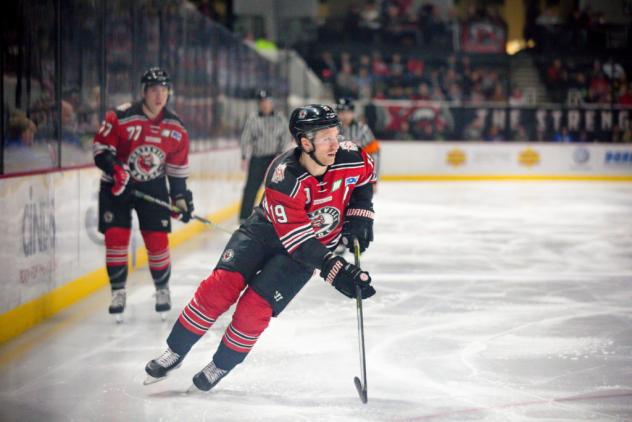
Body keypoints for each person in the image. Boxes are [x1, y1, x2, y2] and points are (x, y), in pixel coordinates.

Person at [144, 104, 377, 392]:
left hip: (308, 248)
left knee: (254, 310)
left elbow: (365, 179)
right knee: (218, 289)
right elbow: (298, 240)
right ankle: (176, 351)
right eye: (326, 137)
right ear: (305, 142)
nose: (335, 143)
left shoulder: (351, 157)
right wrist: (336, 270)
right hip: (266, 232)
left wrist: (360, 214)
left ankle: (221, 364)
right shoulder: (284, 177)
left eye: (336, 134)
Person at [92, 67, 194, 319]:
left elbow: (177, 169)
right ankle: (118, 291)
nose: (159, 96)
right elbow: (100, 149)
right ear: (143, 92)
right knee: (115, 237)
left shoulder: (176, 127)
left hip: (153, 186)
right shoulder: (121, 116)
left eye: (164, 90)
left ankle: (162, 289)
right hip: (117, 187)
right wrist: (116, 170)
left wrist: (180, 199)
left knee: (158, 241)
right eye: (153, 90)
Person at [238, 90, 291, 224]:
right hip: (257, 158)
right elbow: (246, 137)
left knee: (276, 189)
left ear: (272, 103)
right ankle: (244, 217)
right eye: (262, 102)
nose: (265, 105)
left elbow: (286, 136)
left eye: (267, 102)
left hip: (274, 159)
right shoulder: (253, 118)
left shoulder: (280, 118)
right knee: (251, 188)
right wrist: (244, 156)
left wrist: (281, 154)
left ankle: (278, 217)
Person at [335, 97, 381, 178]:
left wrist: (374, 177)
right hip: (336, 175)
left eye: (347, 112)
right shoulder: (331, 130)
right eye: (341, 112)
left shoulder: (363, 129)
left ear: (352, 113)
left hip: (359, 175)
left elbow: (374, 154)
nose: (344, 115)